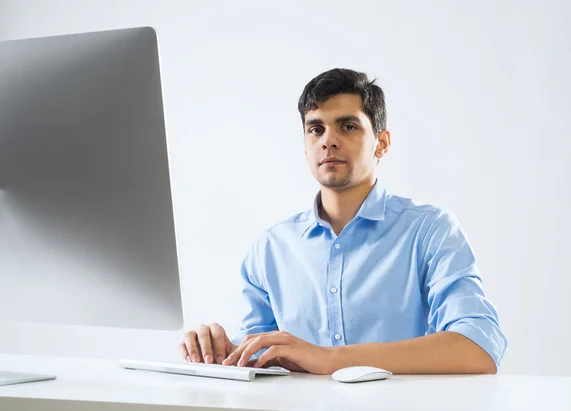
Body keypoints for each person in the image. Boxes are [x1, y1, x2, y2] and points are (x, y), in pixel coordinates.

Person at [179, 68, 507, 375]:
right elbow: (258, 365)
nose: (328, 140)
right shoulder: (271, 248)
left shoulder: (429, 231)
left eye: (347, 126)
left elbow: (479, 346)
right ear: (306, 147)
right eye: (316, 129)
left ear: (382, 143)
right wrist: (217, 349)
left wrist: (331, 359)